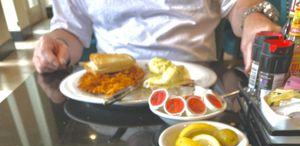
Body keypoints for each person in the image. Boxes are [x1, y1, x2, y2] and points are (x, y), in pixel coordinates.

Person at [33, 0, 281, 74]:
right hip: (112, 94)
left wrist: (253, 18)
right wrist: (59, 45)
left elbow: (240, 4)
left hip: (195, 85)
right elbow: (71, 33)